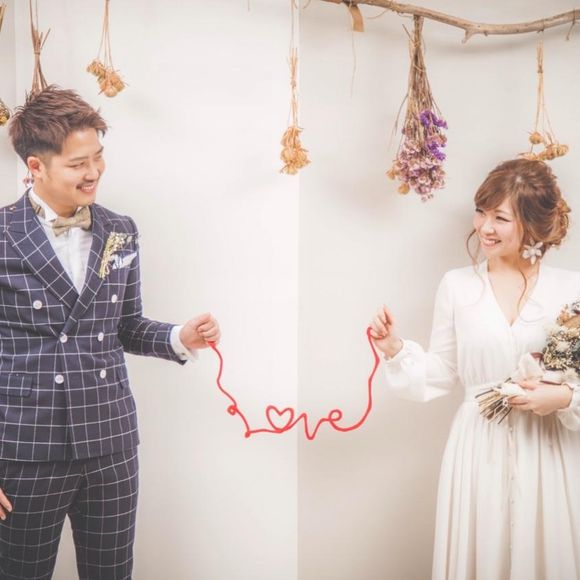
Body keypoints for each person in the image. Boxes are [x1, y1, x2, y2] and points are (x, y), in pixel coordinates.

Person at [0, 86, 220, 579]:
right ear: (36, 167)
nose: (94, 172)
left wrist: (180, 337)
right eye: (78, 164)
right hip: (25, 449)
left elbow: (125, 325)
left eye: (98, 157)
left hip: (111, 441)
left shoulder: (121, 230)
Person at [371, 158, 580, 580]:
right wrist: (394, 349)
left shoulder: (571, 287)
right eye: (481, 212)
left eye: (500, 217)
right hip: (478, 446)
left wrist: (564, 397)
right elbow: (442, 371)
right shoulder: (457, 285)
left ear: (530, 223)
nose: (485, 227)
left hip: (551, 448)